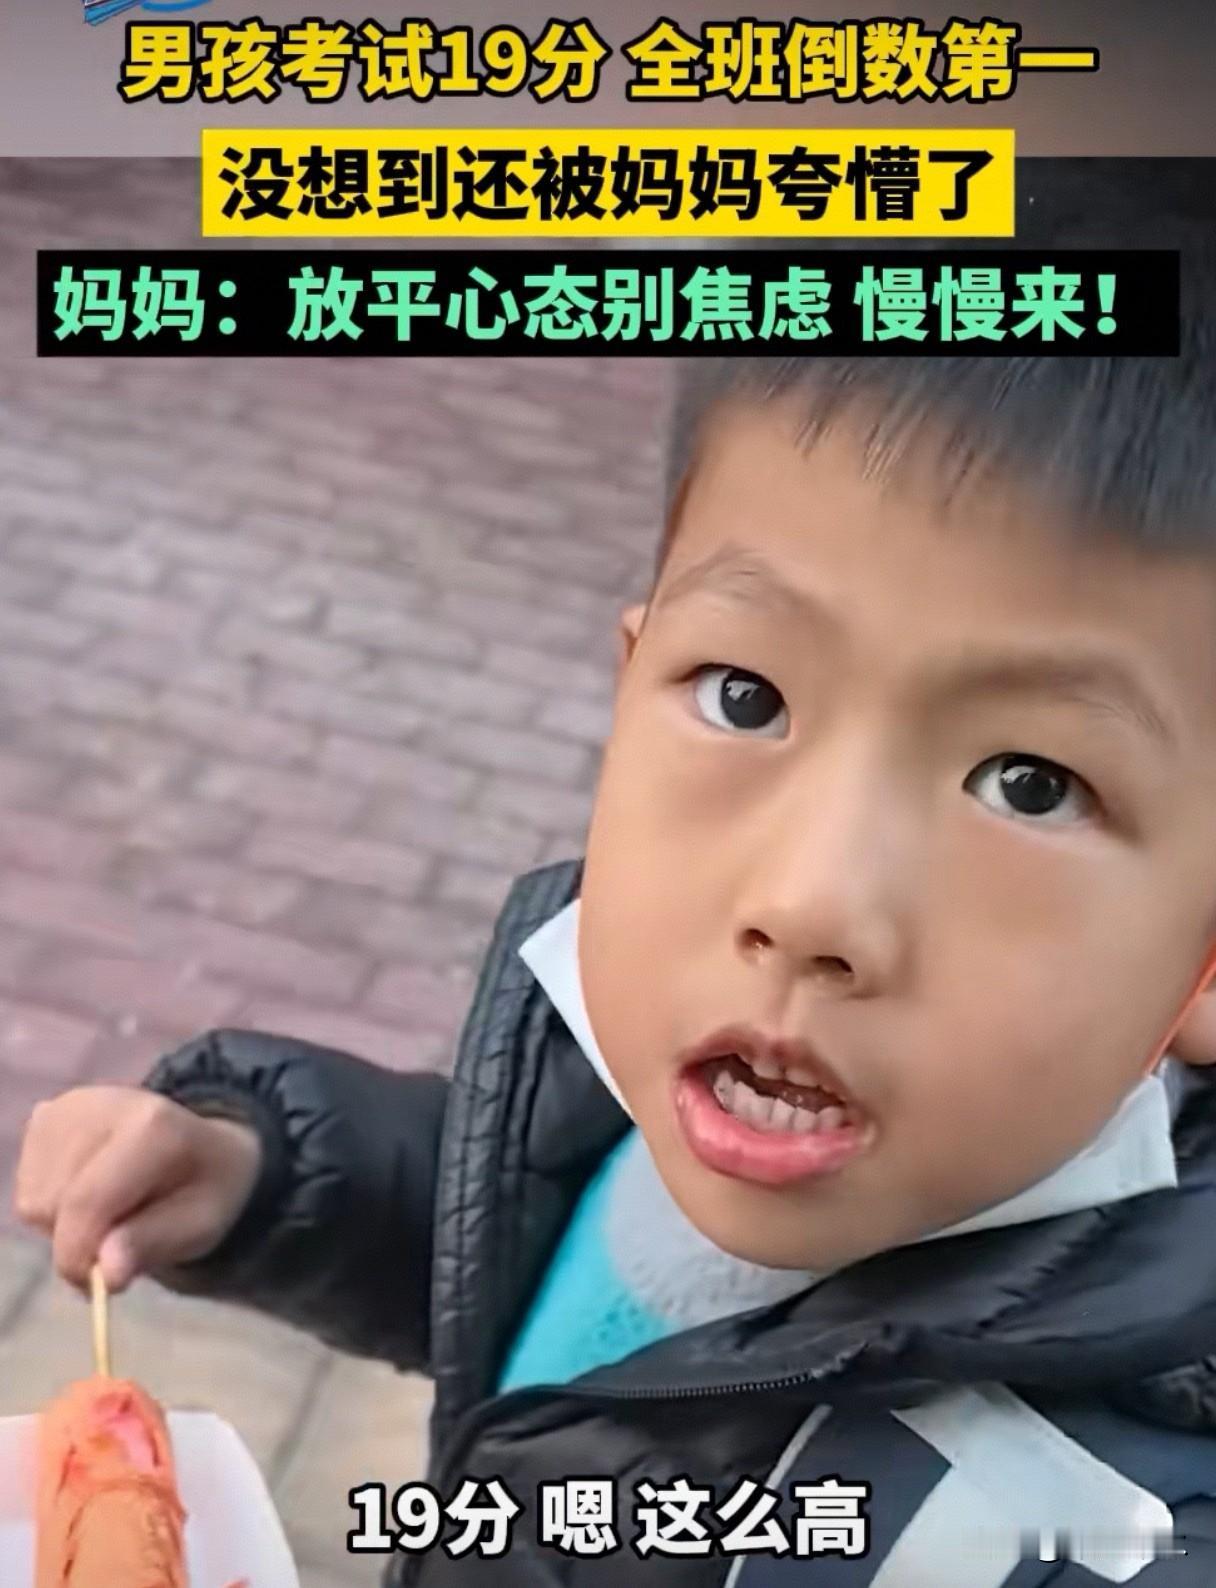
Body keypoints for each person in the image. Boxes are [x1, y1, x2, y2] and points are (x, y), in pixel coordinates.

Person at [15, 160, 1216, 1585]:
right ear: (630, 675)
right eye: (746, 697)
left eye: (1031, 784)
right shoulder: (657, 1069)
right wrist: (260, 1177)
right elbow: (531, 1242)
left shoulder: (1061, 1538)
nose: (806, 903)